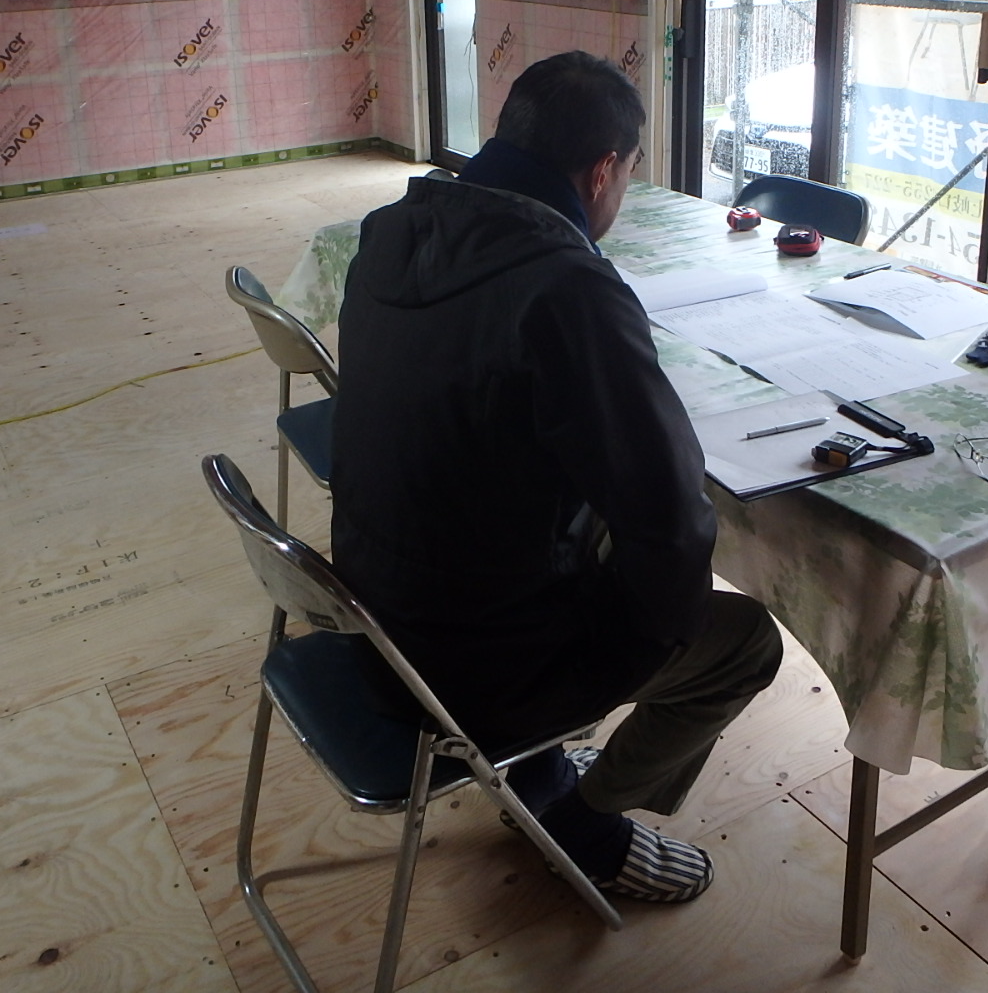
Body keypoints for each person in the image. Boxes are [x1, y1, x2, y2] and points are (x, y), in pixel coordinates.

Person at [330, 50, 783, 903]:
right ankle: (585, 823)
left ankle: (541, 761)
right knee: (744, 642)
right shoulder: (567, 287)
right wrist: (640, 642)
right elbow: (672, 520)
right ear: (604, 170)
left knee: (591, 515)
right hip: (474, 671)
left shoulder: (391, 230)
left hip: (371, 621)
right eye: (628, 176)